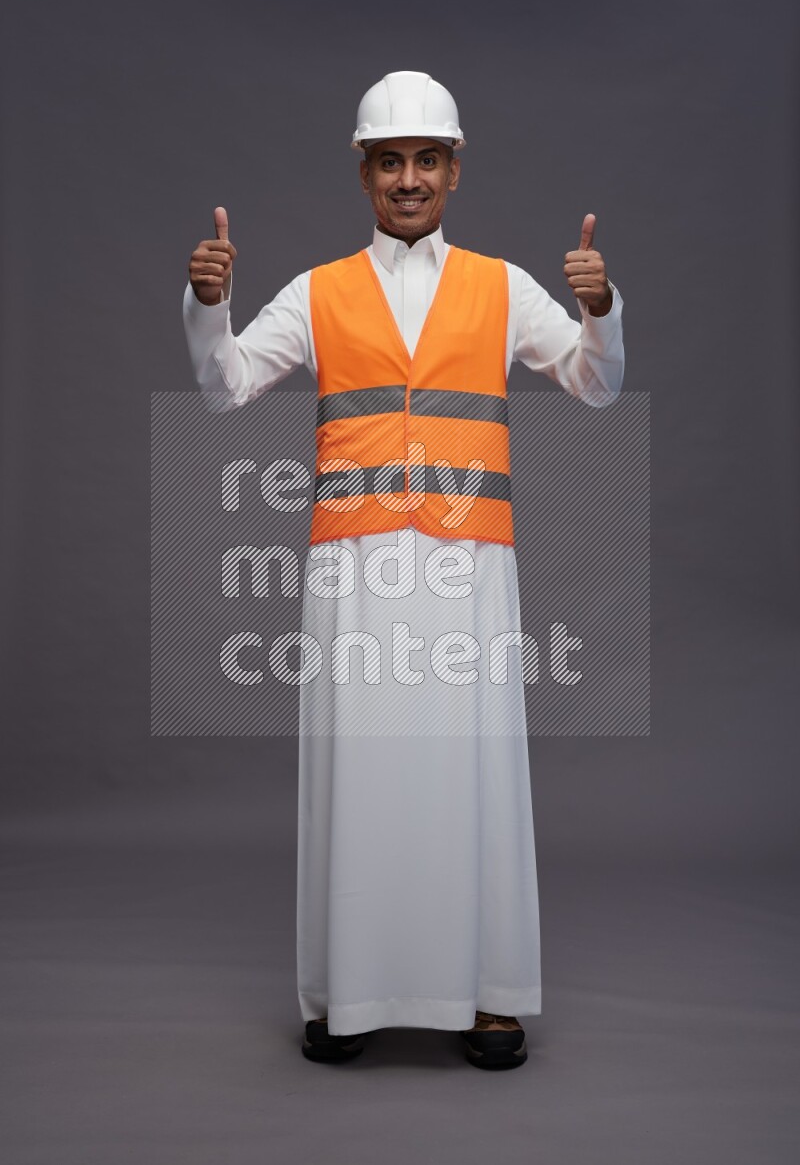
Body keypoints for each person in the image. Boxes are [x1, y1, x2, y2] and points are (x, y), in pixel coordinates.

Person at [183, 70, 624, 1070]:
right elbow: (226, 388)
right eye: (391, 161)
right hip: (356, 570)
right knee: (360, 771)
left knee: (474, 769)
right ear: (365, 172)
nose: (410, 178)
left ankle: (489, 995)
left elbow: (596, 385)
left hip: (468, 567)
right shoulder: (318, 289)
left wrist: (601, 312)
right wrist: (208, 307)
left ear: (454, 171)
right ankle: (350, 992)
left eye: (427, 160)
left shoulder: (505, 286)